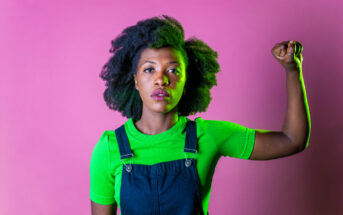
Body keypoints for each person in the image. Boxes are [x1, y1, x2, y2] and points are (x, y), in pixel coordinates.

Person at [90, 15, 311, 215]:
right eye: (149, 69)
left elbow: (293, 140)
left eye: (173, 70)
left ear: (187, 82)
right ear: (136, 80)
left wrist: (293, 71)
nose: (161, 79)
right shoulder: (110, 148)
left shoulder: (209, 135)